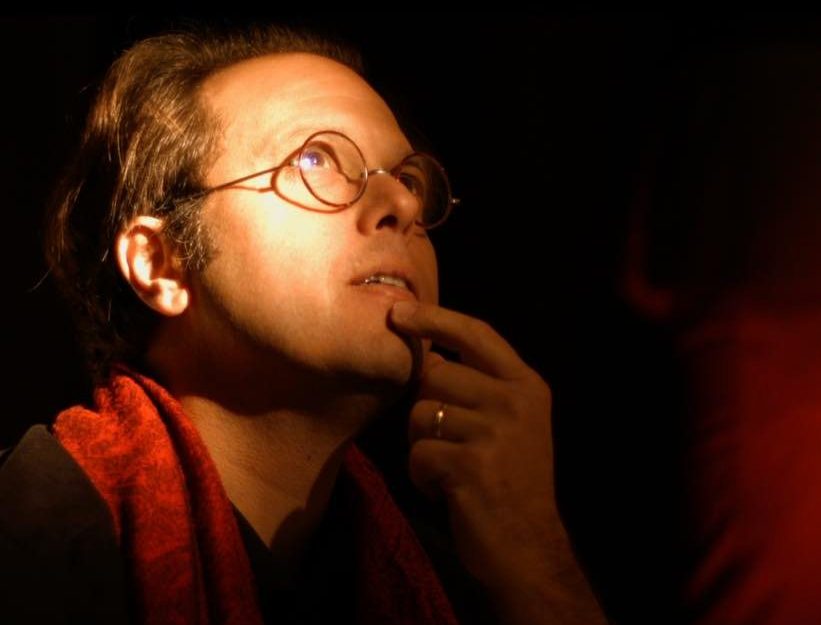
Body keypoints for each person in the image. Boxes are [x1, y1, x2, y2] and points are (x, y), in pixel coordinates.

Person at [0, 23, 605, 625]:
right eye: (315, 159)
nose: (402, 205)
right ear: (161, 265)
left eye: (408, 179)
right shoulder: (32, 534)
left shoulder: (451, 583)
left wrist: (535, 561)